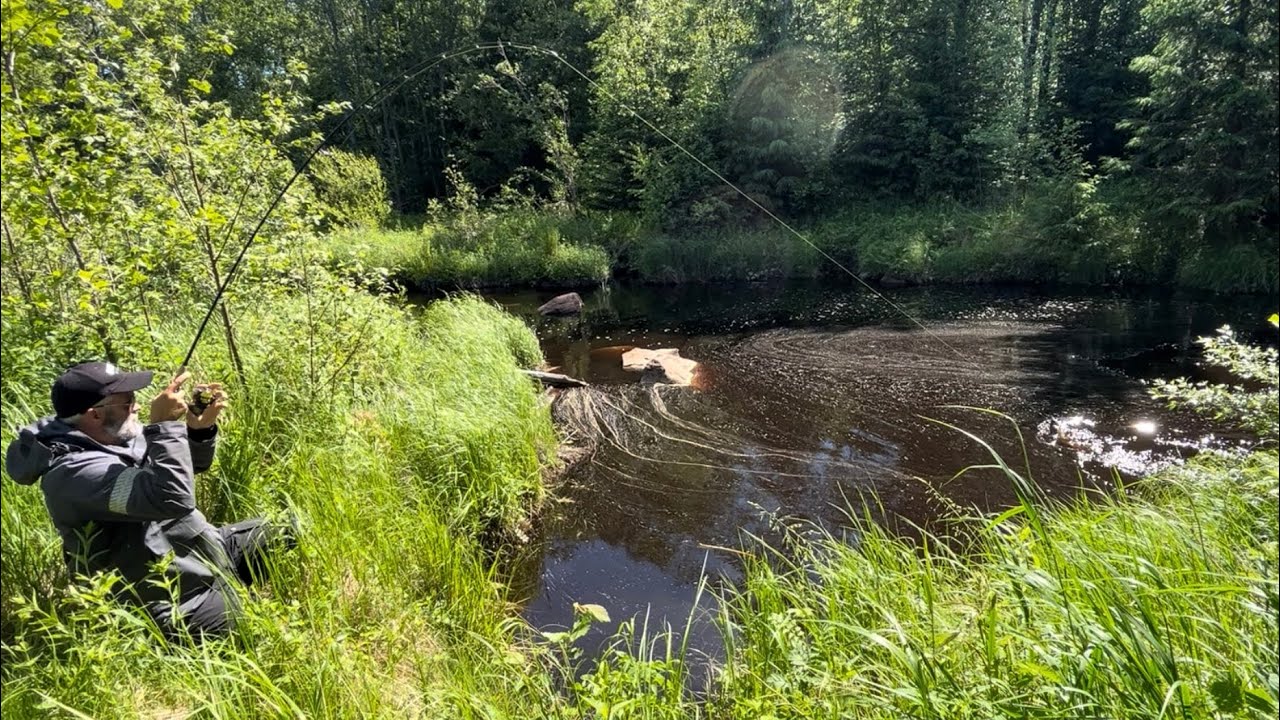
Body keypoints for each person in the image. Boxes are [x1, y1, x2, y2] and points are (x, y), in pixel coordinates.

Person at [5, 361, 288, 638]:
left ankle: (230, 585)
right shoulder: (74, 475)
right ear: (94, 415)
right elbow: (173, 498)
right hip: (172, 595)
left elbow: (184, 471)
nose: (137, 406)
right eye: (127, 402)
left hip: (198, 550)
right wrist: (163, 425)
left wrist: (197, 430)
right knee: (261, 629)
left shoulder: (115, 435)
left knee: (287, 530)